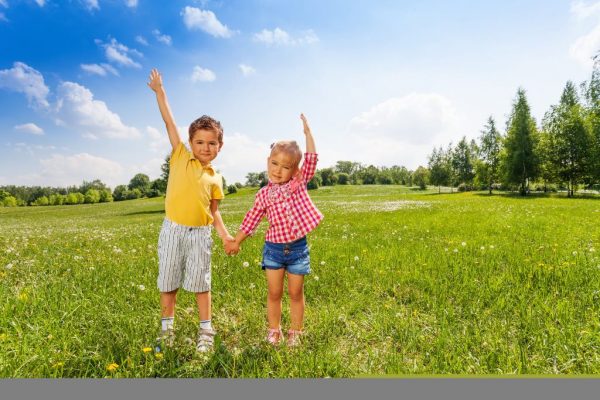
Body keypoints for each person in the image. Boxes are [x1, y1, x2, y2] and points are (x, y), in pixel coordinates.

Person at [147, 68, 233, 353]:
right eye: (200, 141)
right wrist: (161, 92)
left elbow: (214, 212)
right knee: (169, 279)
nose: (205, 147)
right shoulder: (180, 156)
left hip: (201, 234)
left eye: (212, 143)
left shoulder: (216, 178)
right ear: (190, 142)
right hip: (172, 229)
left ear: (220, 146)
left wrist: (226, 236)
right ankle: (166, 329)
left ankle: (206, 330)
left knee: (200, 282)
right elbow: (169, 122)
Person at [226, 114, 323, 347]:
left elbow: (311, 160)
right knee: (274, 293)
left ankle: (296, 332)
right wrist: (236, 241)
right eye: (274, 163)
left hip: (298, 249)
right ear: (267, 161)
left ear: (295, 170)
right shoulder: (263, 194)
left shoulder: (298, 183)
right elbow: (252, 219)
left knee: (296, 293)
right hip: (273, 250)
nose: (278, 171)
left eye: (286, 167)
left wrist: (308, 133)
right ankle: (273, 331)